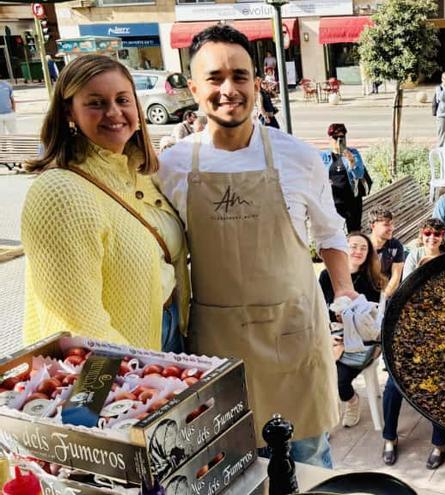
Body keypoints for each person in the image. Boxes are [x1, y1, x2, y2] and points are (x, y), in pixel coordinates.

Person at [156, 25, 356, 468]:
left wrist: (344, 291)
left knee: (306, 460)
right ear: (193, 88)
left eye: (240, 76)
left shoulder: (298, 157)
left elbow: (330, 232)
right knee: (229, 466)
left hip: (293, 336)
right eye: (214, 78)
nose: (229, 89)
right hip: (216, 346)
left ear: (257, 82)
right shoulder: (170, 165)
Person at [22, 54, 188, 354]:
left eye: (123, 100)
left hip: (167, 330)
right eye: (96, 103)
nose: (114, 113)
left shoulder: (140, 173)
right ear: (69, 112)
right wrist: (138, 369)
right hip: (119, 360)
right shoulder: (60, 193)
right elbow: (78, 321)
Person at [382, 219, 445, 468]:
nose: (432, 237)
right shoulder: (415, 257)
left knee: (435, 384)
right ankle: (389, 438)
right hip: (412, 329)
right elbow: (406, 292)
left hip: (443, 334)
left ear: (443, 236)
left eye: (437, 234)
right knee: (393, 385)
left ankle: (439, 442)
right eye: (427, 233)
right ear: (421, 235)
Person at [318, 232, 386, 428]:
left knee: (338, 380)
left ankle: (351, 400)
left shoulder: (373, 280)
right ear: (343, 250)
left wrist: (345, 341)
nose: (358, 251)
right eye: (353, 246)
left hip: (362, 341)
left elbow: (370, 324)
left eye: (363, 248)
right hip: (334, 335)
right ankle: (325, 416)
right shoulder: (326, 276)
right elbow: (321, 310)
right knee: (316, 373)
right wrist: (331, 334)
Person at [320, 123, 372, 232]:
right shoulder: (324, 156)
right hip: (333, 201)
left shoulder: (353, 153)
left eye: (342, 137)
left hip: (351, 200)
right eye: (336, 138)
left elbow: (359, 174)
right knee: (334, 232)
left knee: (354, 232)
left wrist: (352, 161)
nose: (339, 140)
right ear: (330, 139)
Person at [367, 208, 405, 297]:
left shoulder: (396, 246)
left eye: (392, 224)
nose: (391, 228)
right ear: (373, 226)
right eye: (386, 225)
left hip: (385, 290)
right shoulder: (363, 245)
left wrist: (383, 299)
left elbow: (395, 278)